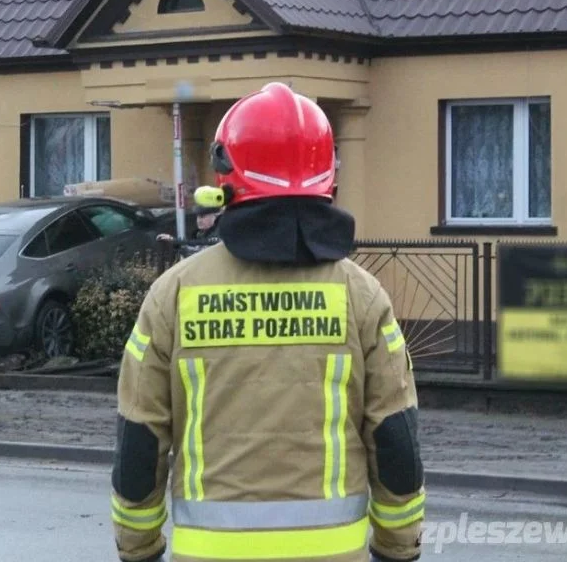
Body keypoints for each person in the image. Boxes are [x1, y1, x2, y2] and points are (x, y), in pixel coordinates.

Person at [111, 83, 424, 562]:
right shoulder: (361, 296)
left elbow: (140, 443)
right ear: (327, 177)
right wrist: (397, 549)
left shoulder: (173, 295)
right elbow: (395, 440)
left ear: (225, 178)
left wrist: (139, 550)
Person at [156, 207, 221, 258]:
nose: (199, 221)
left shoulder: (220, 232)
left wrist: (176, 241)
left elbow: (202, 247)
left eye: (202, 217)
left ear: (214, 217)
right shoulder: (199, 233)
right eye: (197, 217)